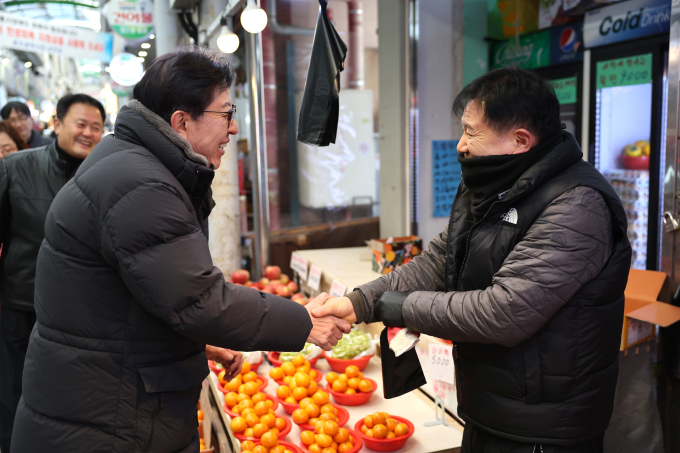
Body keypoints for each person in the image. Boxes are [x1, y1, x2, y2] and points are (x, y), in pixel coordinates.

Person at [10, 47, 350, 453]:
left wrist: (191, 344)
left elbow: (126, 301)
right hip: (109, 421)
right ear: (181, 121)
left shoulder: (129, 162)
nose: (234, 127)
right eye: (226, 113)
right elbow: (199, 301)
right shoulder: (140, 184)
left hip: (101, 402)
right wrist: (303, 322)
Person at [312, 68, 632, 452]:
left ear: (520, 140)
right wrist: (359, 302)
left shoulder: (577, 204)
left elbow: (506, 312)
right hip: (489, 406)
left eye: (471, 132)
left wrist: (394, 307)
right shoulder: (489, 183)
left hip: (544, 429)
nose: (461, 145)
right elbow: (440, 261)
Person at [0, 93, 105, 453]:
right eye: (81, 124)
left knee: (70, 405)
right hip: (21, 307)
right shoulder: (15, 168)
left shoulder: (105, 178)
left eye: (96, 127)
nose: (88, 133)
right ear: (58, 124)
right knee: (13, 397)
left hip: (81, 317)